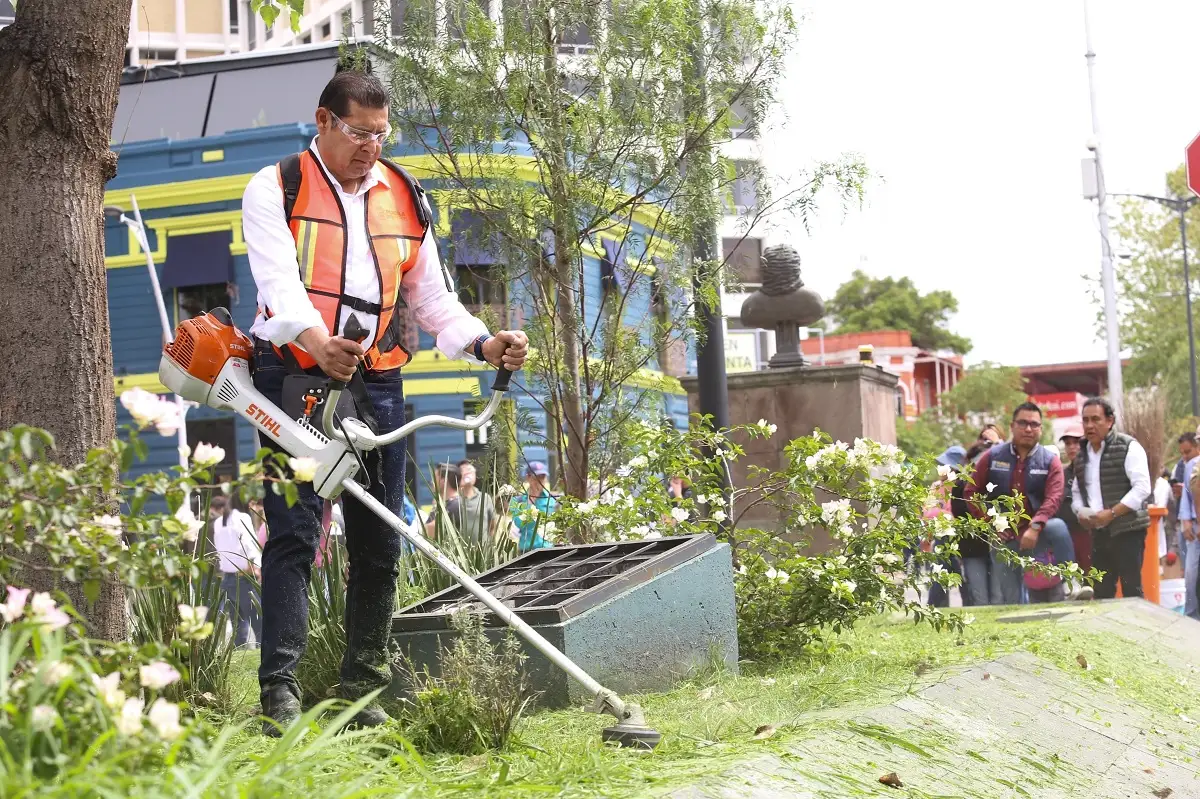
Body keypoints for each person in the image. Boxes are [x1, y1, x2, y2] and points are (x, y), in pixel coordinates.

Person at [241, 65, 529, 735]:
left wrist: (484, 344)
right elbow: (278, 287)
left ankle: (361, 693)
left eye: (380, 133)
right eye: (356, 132)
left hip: (379, 380)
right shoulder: (276, 186)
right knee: (295, 531)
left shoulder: (405, 195)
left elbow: (433, 300)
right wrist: (317, 340)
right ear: (322, 122)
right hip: (294, 374)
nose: (370, 145)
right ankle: (279, 695)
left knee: (380, 540)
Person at [963, 402, 1075, 605]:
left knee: (1058, 527)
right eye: (1023, 423)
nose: (1028, 429)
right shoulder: (993, 457)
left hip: (1038, 533)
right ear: (1012, 426)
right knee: (1011, 600)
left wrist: (1035, 526)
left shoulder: (1049, 460)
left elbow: (1054, 497)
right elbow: (971, 492)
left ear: (1041, 429)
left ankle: (1070, 583)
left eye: (1034, 424)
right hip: (1004, 538)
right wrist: (991, 524)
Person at [1070, 397, 1152, 599]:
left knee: (1131, 588)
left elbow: (1142, 488)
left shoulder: (1128, 447)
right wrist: (1080, 512)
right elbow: (1077, 492)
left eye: (1095, 419)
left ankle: (1137, 630)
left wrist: (1112, 513)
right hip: (1099, 533)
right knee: (1102, 591)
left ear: (1110, 421)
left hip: (1128, 529)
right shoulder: (1082, 456)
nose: (1090, 425)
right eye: (1085, 420)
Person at [209, 495, 263, 649]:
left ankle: (240, 651)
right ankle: (263, 651)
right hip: (245, 575)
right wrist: (256, 566)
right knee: (258, 619)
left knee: (238, 621)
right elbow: (248, 544)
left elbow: (219, 548)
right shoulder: (243, 518)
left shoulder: (220, 521)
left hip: (228, 577)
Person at [1055, 425, 1094, 600]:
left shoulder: (1093, 469)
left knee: (1093, 582)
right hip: (1066, 537)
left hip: (1090, 533)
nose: (1071, 447)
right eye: (1068, 443)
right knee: (1073, 590)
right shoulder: (1060, 473)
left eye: (1076, 442)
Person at [510, 462, 557, 553]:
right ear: (528, 478)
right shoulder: (518, 501)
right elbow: (519, 524)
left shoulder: (552, 500)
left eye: (542, 477)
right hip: (526, 550)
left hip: (548, 549)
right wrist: (531, 501)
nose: (539, 481)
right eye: (536, 478)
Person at [448, 459, 496, 543]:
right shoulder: (452, 499)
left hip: (483, 552)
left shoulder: (485, 498)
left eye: (470, 470)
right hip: (459, 553)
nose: (467, 473)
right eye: (463, 471)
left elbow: (492, 526)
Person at [1178, 436, 1200, 618]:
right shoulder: (1193, 465)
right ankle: (1191, 618)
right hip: (1195, 529)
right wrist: (1186, 521)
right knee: (1191, 577)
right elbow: (1187, 495)